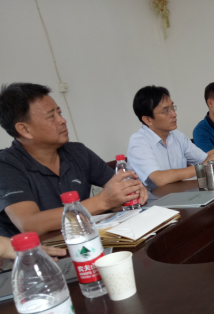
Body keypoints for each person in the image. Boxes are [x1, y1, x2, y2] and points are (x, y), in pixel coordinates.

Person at [0, 83, 148, 238]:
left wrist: (130, 192)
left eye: (59, 113)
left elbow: (119, 190)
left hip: (89, 239)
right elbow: (30, 224)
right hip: (41, 250)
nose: (62, 120)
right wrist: (103, 201)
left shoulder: (77, 152)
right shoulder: (6, 166)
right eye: (51, 116)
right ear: (24, 129)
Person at [127, 86, 214, 189]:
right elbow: (159, 178)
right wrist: (202, 167)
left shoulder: (177, 135)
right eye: (165, 111)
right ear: (148, 120)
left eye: (172, 107)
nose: (174, 114)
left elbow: (204, 159)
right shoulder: (138, 142)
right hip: (155, 198)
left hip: (182, 193)